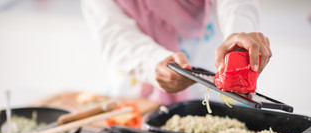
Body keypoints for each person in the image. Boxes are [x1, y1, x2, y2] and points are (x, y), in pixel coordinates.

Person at [81, 0, 272, 105]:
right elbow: (115, 36)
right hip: (139, 92)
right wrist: (153, 63)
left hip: (212, 70)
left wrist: (240, 30)